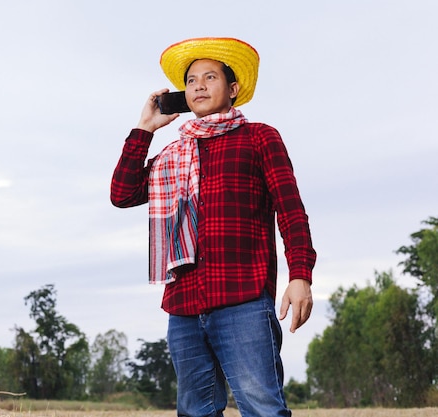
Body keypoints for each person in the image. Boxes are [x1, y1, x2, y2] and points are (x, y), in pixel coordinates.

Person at [110, 37, 317, 417]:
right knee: (196, 412)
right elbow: (122, 193)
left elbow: (291, 210)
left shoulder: (259, 138)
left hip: (243, 301)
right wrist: (145, 128)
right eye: (190, 81)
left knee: (263, 409)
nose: (199, 86)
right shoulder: (174, 154)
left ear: (233, 89)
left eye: (210, 77)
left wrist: (300, 275)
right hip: (184, 305)